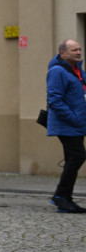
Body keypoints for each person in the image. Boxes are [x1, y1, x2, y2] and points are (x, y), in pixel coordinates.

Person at [46, 39, 86, 213]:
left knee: (73, 158)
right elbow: (54, 99)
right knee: (77, 156)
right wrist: (74, 118)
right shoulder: (57, 71)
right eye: (73, 50)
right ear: (63, 54)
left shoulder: (79, 71)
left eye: (79, 49)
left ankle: (64, 198)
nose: (78, 52)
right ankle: (61, 196)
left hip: (78, 123)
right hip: (68, 124)